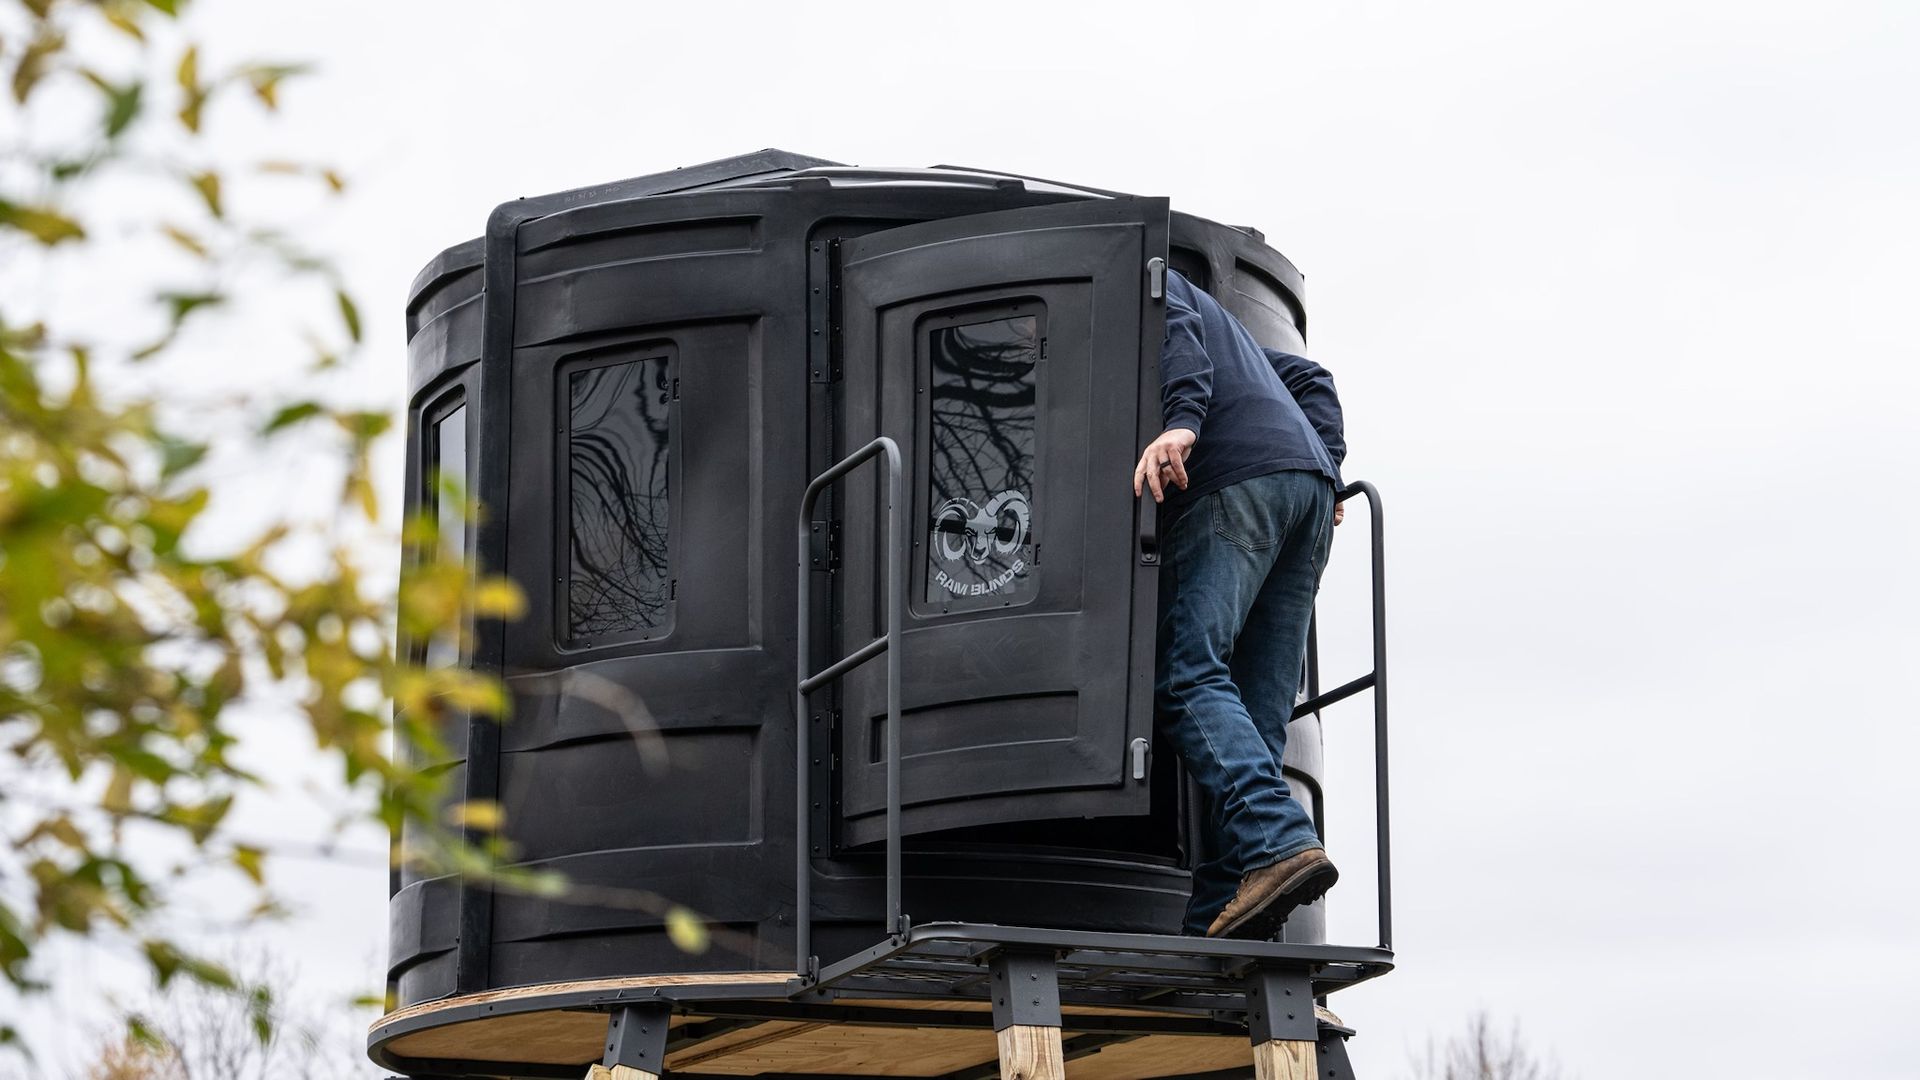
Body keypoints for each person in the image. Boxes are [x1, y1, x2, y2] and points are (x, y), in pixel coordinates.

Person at [1132, 268, 1347, 940]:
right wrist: (1329, 470)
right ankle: (1222, 922)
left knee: (1187, 673)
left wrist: (1182, 425)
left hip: (1235, 486)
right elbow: (1315, 382)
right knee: (1257, 716)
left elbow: (1178, 337)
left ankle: (1281, 836)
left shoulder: (1143, 279)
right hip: (1305, 493)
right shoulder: (1242, 343)